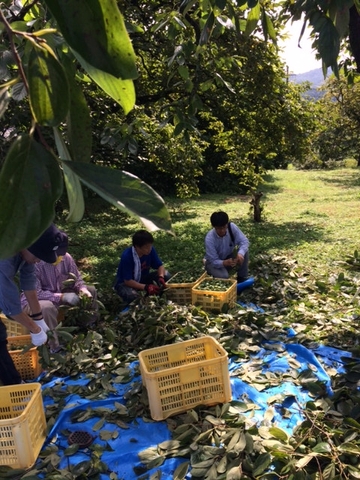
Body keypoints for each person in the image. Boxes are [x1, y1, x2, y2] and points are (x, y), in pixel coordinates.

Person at [0, 223, 68, 385]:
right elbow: (11, 307)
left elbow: (29, 284)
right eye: (38, 256)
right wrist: (35, 330)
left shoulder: (25, 251)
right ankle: (14, 387)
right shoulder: (5, 258)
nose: (38, 261)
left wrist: (39, 318)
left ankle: (14, 384)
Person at [20, 252, 99, 327]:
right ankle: (50, 339)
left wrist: (83, 290)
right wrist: (62, 296)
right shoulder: (35, 262)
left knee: (90, 289)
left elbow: (77, 279)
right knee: (46, 307)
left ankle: (88, 325)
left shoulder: (66, 258)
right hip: (37, 300)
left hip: (61, 293)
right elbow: (35, 293)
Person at [114, 229, 170, 303]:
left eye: (150, 246)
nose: (149, 249)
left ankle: (158, 294)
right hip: (125, 284)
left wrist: (161, 277)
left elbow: (160, 266)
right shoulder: (127, 256)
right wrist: (146, 287)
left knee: (166, 274)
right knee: (133, 296)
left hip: (142, 279)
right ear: (137, 247)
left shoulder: (150, 250)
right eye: (146, 247)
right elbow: (127, 281)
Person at [204, 211, 250, 282]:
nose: (222, 230)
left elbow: (244, 241)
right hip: (213, 263)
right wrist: (223, 263)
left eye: (224, 227)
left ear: (227, 224)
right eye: (219, 228)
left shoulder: (232, 227)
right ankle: (211, 270)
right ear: (213, 227)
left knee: (244, 251)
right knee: (224, 276)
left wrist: (240, 254)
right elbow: (213, 261)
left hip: (228, 257)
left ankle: (242, 277)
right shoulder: (209, 238)